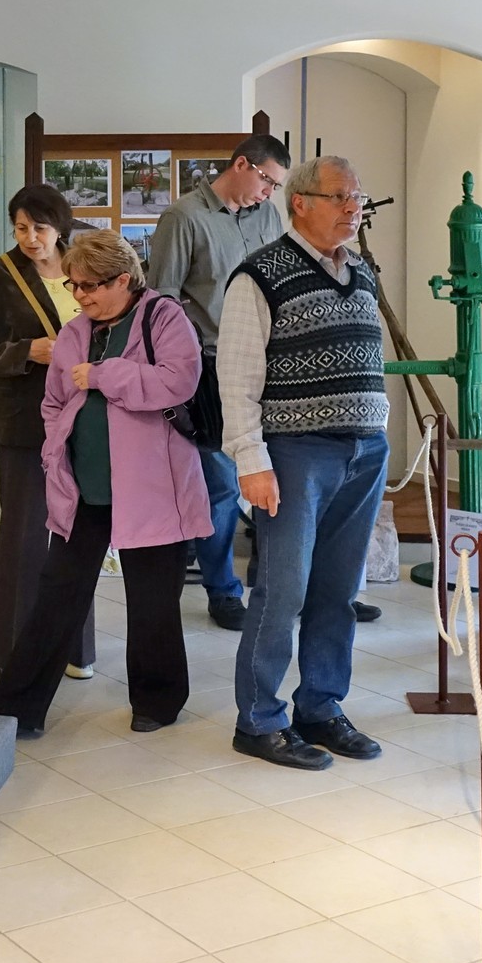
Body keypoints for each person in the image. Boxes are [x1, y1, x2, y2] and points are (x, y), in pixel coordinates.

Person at [0, 230, 209, 734]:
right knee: (56, 596)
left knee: (153, 600)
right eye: (74, 285)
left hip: (153, 489)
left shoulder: (163, 316)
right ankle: (15, 709)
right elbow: (54, 399)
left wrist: (105, 375)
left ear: (123, 280)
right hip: (84, 487)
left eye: (89, 285)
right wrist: (55, 447)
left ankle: (157, 703)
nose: (80, 295)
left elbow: (178, 382)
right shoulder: (75, 331)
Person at [218, 155, 390, 771]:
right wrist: (251, 460)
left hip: (364, 453)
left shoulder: (361, 272)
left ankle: (320, 706)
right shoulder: (259, 276)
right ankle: (259, 721)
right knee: (282, 592)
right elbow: (237, 379)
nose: (354, 208)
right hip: (295, 455)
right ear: (300, 202)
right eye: (341, 196)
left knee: (338, 592)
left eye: (358, 197)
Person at [0, 184, 96, 678]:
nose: (31, 238)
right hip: (25, 423)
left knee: (81, 535)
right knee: (25, 535)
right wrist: (25, 351)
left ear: (61, 227)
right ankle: (14, 649)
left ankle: (76, 648)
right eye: (21, 228)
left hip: (87, 421)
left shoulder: (85, 267)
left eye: (40, 228)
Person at [150, 135, 289, 632]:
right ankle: (223, 591)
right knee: (223, 487)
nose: (269, 192)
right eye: (267, 180)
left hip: (270, 363)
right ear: (241, 164)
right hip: (209, 367)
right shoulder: (184, 217)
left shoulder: (267, 217)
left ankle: (277, 587)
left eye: (276, 186)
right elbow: (162, 299)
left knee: (276, 477)